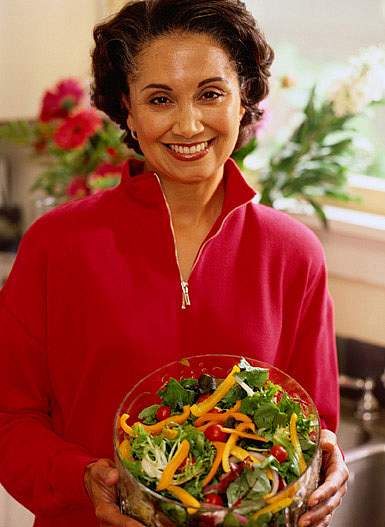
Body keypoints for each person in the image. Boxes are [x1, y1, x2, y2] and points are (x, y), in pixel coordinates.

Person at [0, 1, 348, 526]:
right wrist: (82, 478)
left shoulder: (293, 254)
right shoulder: (57, 244)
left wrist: (326, 462)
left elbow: (310, 422)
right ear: (128, 110)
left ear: (244, 98)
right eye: (160, 99)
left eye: (211, 94)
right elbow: (9, 419)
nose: (188, 124)